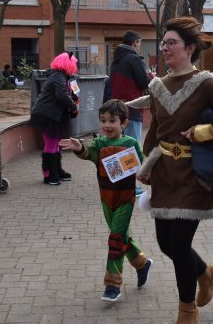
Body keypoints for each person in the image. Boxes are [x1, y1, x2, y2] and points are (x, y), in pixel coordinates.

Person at [136, 17, 213, 323]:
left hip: (194, 174)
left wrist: (203, 132)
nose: (165, 48)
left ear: (189, 48)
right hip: (164, 175)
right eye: (163, 43)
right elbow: (155, 130)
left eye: (171, 42)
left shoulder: (207, 83)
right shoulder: (157, 86)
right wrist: (146, 164)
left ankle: (187, 309)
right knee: (164, 243)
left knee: (179, 243)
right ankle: (206, 273)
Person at [59, 99, 153, 303]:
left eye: (112, 120)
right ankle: (142, 263)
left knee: (115, 240)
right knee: (121, 237)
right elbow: (89, 155)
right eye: (103, 120)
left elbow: (141, 167)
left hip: (125, 200)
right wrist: (79, 147)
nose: (107, 125)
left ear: (124, 123)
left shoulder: (131, 144)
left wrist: (149, 177)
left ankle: (112, 284)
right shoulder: (99, 143)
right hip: (105, 200)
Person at [30, 52, 79, 185]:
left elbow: (68, 93)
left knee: (57, 143)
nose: (75, 66)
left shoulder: (63, 77)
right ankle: (49, 174)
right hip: (47, 115)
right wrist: (73, 107)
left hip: (53, 115)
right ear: (68, 64)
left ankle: (57, 170)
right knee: (51, 144)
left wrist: (74, 99)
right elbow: (61, 95)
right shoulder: (58, 76)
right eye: (74, 64)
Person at [110, 31, 151, 143]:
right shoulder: (133, 59)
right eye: (139, 43)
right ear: (134, 43)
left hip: (117, 109)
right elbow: (144, 83)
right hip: (132, 109)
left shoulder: (116, 61)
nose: (139, 47)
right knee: (132, 148)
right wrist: (150, 76)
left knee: (120, 147)